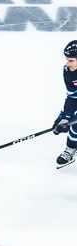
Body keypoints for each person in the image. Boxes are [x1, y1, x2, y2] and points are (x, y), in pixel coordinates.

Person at [52, 40, 77, 168]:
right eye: (67, 59)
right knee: (74, 124)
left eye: (71, 60)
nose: (67, 63)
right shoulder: (68, 71)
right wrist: (66, 116)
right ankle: (71, 148)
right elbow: (72, 96)